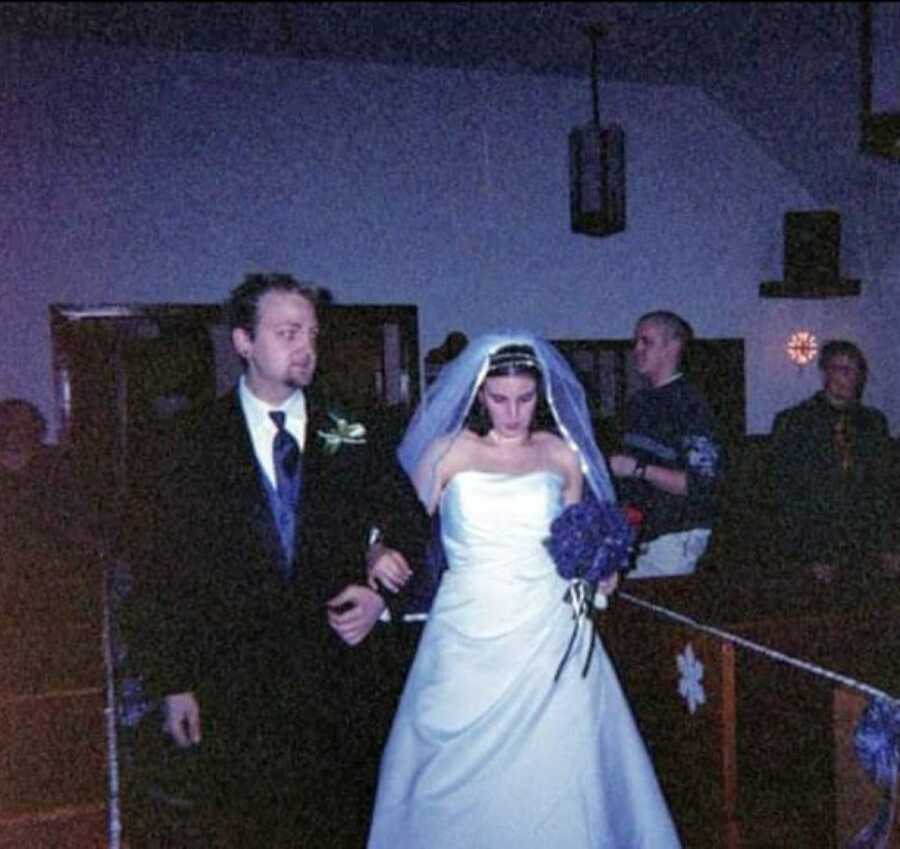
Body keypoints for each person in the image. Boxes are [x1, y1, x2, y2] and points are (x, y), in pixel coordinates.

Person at [122, 273, 411, 848]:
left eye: (311, 332)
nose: (306, 345)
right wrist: (173, 682)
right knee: (248, 827)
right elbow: (160, 571)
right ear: (243, 342)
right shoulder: (189, 442)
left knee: (343, 825)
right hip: (236, 681)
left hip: (339, 676)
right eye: (287, 332)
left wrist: (381, 594)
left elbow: (409, 522)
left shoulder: (353, 427)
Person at [366, 332, 681, 849]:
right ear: (478, 395)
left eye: (525, 399)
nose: (512, 413)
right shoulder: (448, 452)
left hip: (549, 626)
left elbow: (578, 539)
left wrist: (601, 570)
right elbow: (395, 527)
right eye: (499, 399)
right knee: (452, 770)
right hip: (468, 627)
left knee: (560, 762)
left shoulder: (561, 454)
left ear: (542, 395)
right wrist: (376, 552)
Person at [770, 339, 898, 582]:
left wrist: (890, 545)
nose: (850, 377)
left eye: (856, 370)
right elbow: (787, 493)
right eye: (842, 369)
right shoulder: (795, 422)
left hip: (864, 543)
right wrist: (811, 553)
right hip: (817, 543)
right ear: (824, 372)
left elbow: (884, 487)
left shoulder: (873, 422)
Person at [609, 311, 722, 578]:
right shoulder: (638, 402)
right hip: (638, 538)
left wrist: (638, 468)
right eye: (636, 341)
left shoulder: (692, 405)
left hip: (674, 540)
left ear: (673, 346)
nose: (637, 349)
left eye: (646, 342)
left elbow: (700, 485)